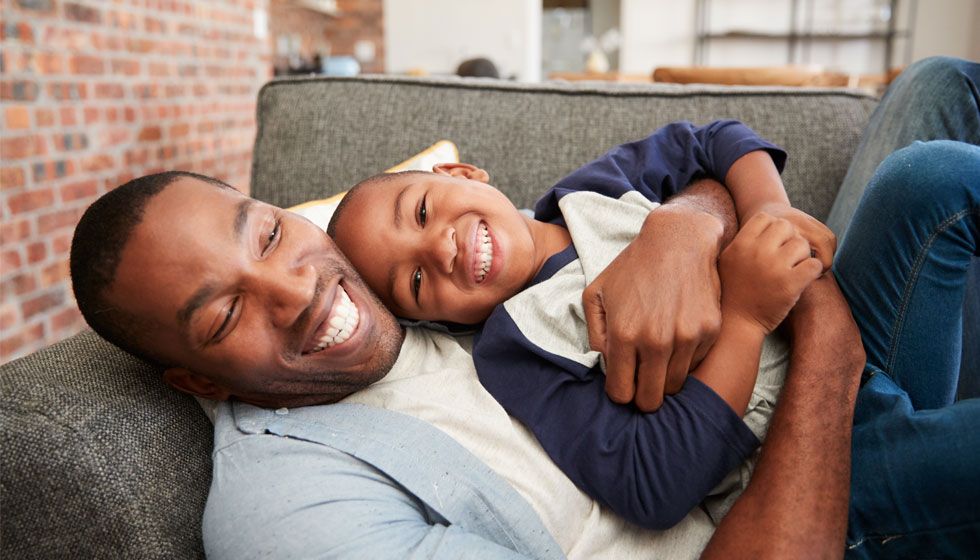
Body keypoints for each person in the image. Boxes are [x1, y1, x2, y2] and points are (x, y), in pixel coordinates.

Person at [67, 56, 979, 558]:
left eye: (266, 236)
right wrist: (805, 327)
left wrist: (691, 229)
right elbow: (659, 486)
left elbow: (702, 149)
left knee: (936, 129)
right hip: (817, 469)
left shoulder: (547, 215)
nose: (298, 289)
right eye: (223, 316)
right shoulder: (303, 501)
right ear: (192, 373)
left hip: (814, 343)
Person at [326, 121, 828, 530]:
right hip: (818, 463)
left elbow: (715, 139)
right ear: (433, 322)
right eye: (414, 280)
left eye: (420, 210)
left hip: (830, 297)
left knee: (908, 182)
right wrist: (744, 319)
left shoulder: (592, 190)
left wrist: (772, 213)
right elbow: (651, 484)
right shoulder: (513, 352)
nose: (440, 248)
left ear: (462, 173)